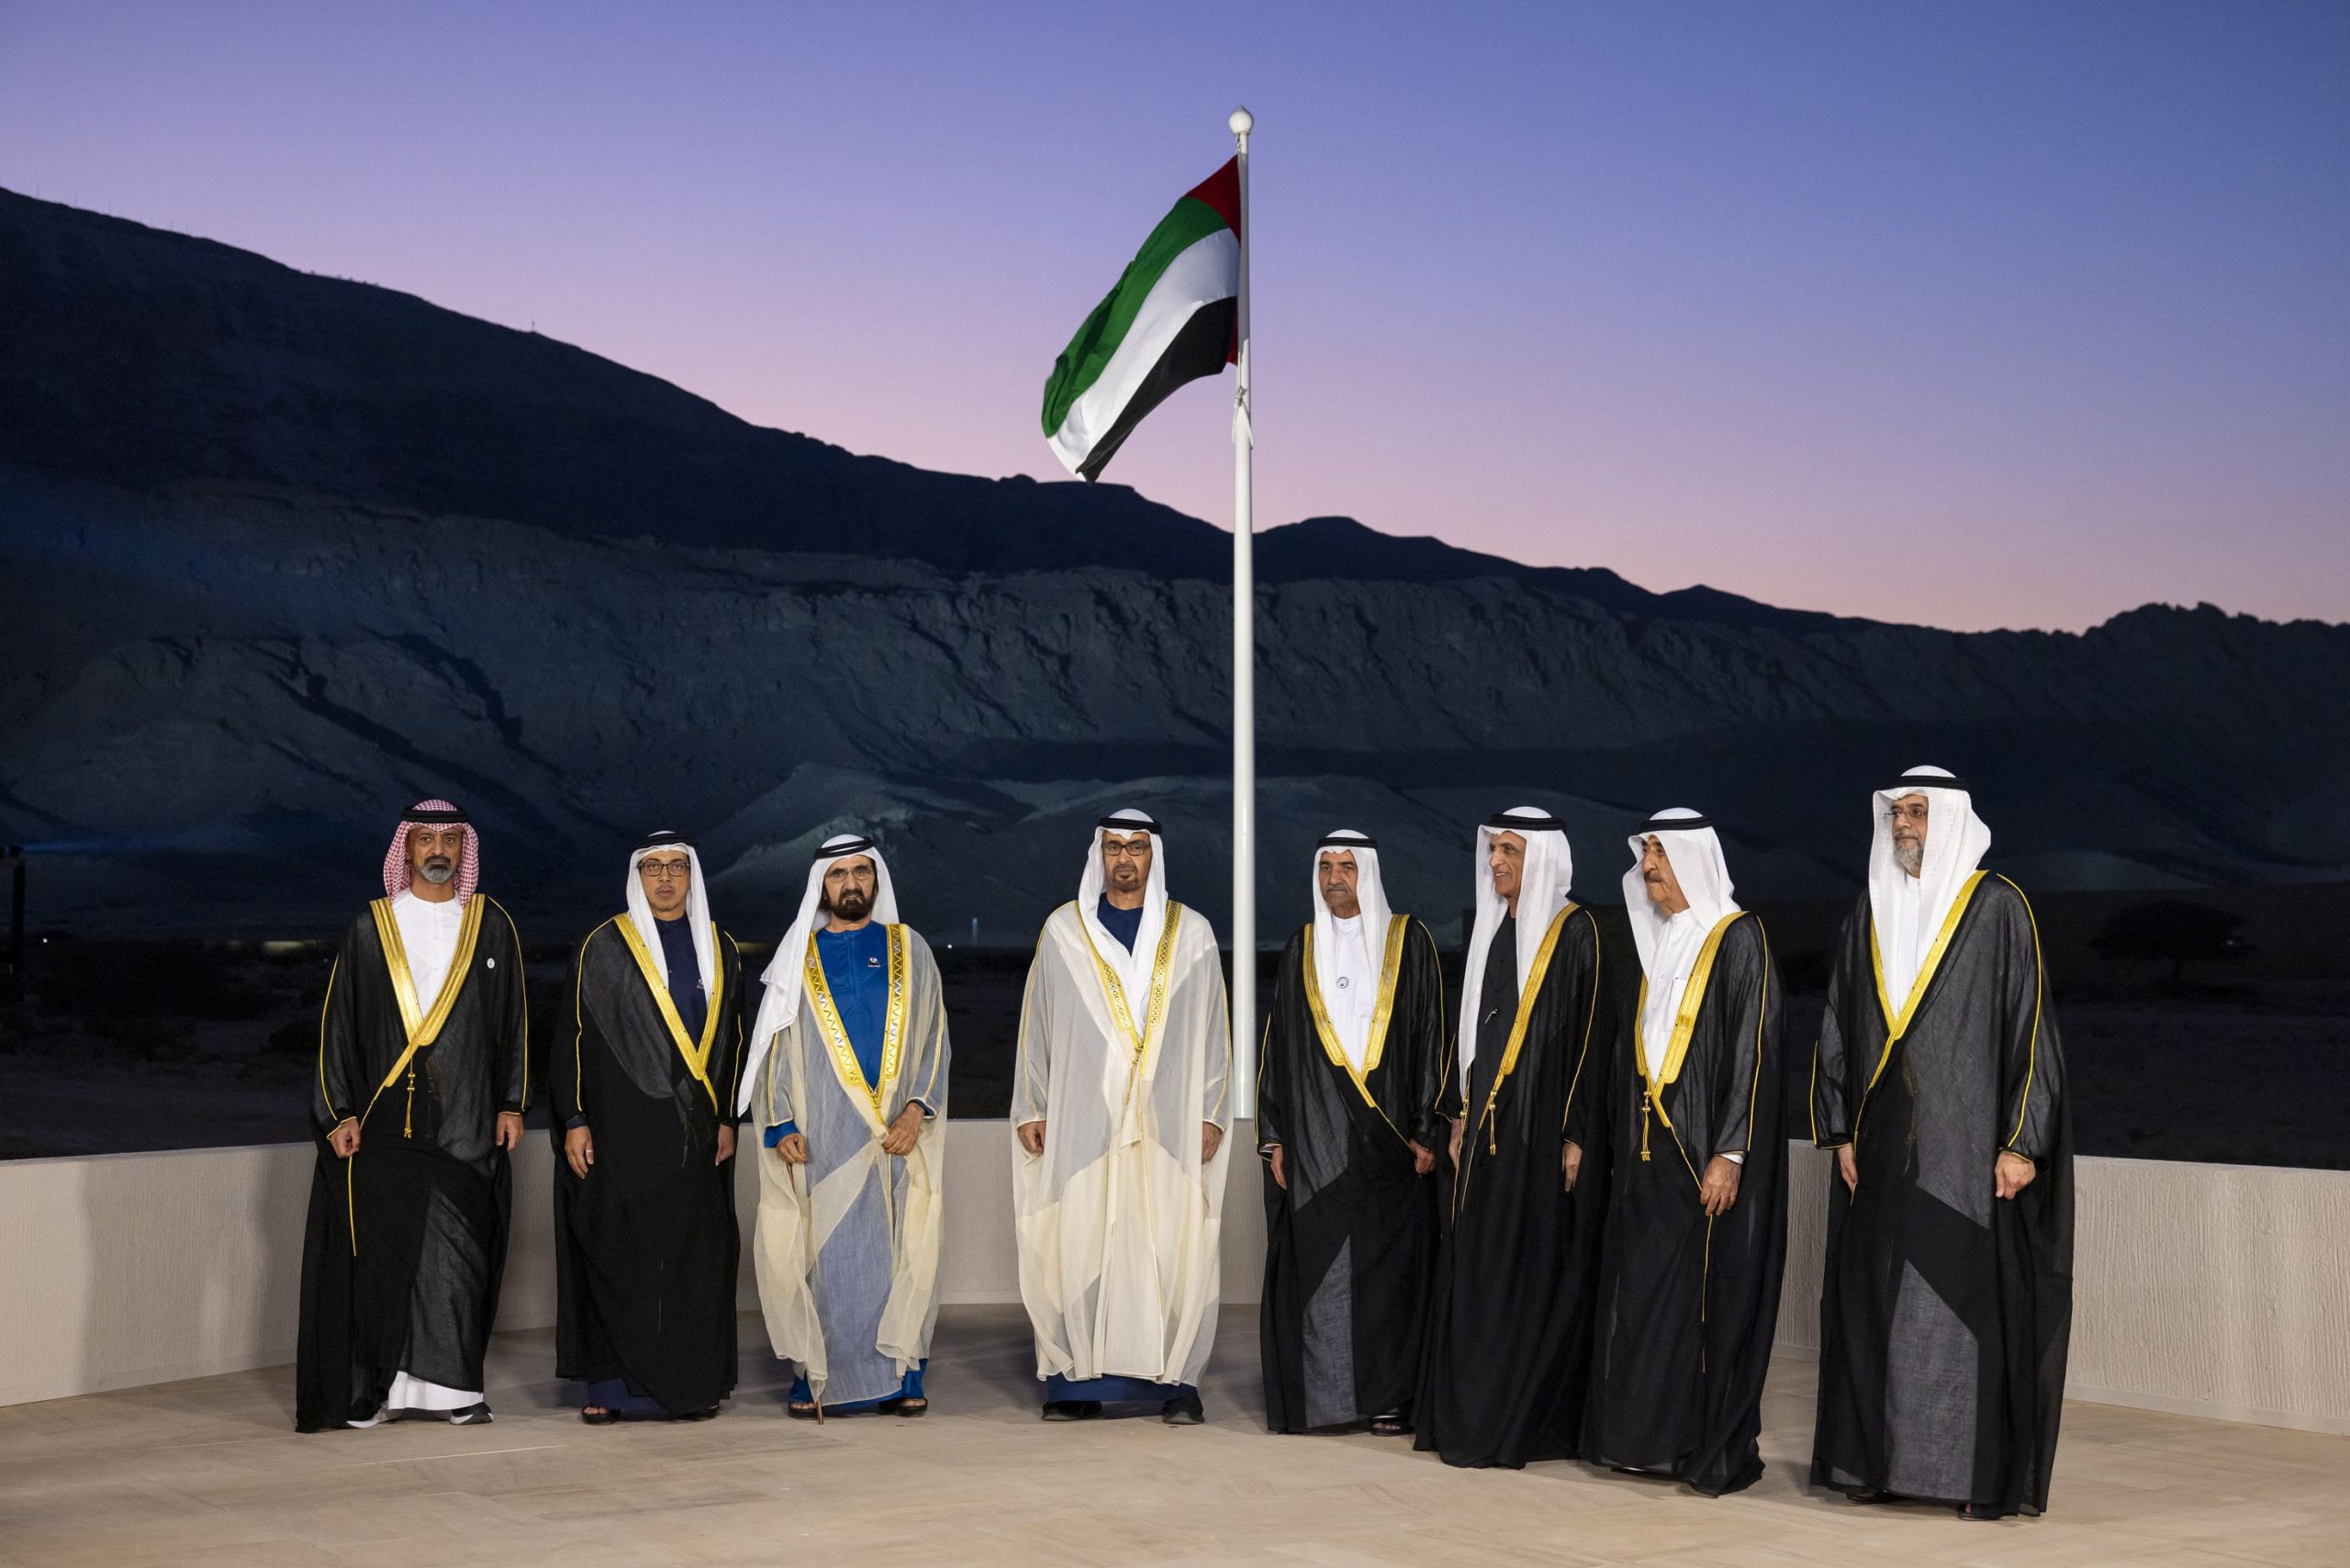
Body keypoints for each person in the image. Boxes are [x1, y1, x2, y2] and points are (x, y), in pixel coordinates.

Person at [1810, 766, 2073, 1519]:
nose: (1902, 825)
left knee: (1958, 1307)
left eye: (1917, 812)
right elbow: (1838, 1024)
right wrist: (1839, 1130)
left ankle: (1965, 1476)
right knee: (1874, 1306)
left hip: (1966, 1151)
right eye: (1896, 813)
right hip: (1878, 1149)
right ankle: (1875, 1466)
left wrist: (2021, 1142)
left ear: (1950, 819)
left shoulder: (1997, 906)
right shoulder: (1870, 909)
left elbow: (2030, 1027)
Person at [296, 799, 528, 1431]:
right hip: (385, 1119)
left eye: (449, 840)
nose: (438, 850)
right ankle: (382, 1392)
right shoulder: (372, 926)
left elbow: (513, 1021)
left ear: (464, 850)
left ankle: (455, 1391)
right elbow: (338, 1028)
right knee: (385, 1255)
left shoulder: (491, 925)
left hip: (468, 1120)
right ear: (405, 848)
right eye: (425, 839)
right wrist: (339, 1112)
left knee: (460, 1257)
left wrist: (512, 1102)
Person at [1583, 809, 1785, 1495]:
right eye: (1646, 853)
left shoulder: (1737, 937)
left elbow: (1752, 1049)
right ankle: (1642, 1443)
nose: (1648, 866)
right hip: (1647, 1161)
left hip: (1702, 1162)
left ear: (1694, 861)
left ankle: (1694, 1445)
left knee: (1698, 1307)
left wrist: (1731, 1151)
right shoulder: (1659, 941)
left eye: (1661, 854)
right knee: (1644, 1304)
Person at [1012, 809, 1232, 1424]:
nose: (1125, 858)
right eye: (1114, 847)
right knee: (1081, 1241)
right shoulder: (1064, 930)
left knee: (1170, 1245)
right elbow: (1037, 1024)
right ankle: (1075, 1384)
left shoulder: (1192, 934)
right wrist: (1032, 1103)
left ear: (1153, 855)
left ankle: (1176, 1382)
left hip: (1168, 1124)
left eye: (1136, 847)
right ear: (1099, 854)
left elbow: (1214, 1030)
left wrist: (1213, 1113)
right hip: (1085, 1119)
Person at [1415, 807, 1610, 1468]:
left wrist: (1576, 1133)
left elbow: (1590, 1038)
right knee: (1478, 1269)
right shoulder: (1493, 927)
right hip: (1483, 1139)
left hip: (1540, 1138)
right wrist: (1456, 1115)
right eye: (1493, 850)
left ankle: (1521, 1421)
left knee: (1529, 1269)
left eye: (1509, 851)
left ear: (1541, 859)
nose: (1495, 861)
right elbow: (1468, 1031)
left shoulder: (1575, 930)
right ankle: (1470, 1413)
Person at [744, 833, 949, 1417]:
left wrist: (917, 1109)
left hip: (900, 1136)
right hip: (824, 1137)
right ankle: (816, 1373)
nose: (851, 883)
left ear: (876, 880)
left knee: (905, 1250)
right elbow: (775, 1048)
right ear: (822, 886)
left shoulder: (911, 949)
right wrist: (780, 1121)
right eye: (838, 875)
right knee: (822, 1257)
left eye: (861, 872)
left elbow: (935, 1036)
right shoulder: (798, 958)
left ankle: (903, 1374)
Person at [1258, 829, 1446, 1436]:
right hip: (1318, 1141)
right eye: (1326, 868)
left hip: (1391, 1143)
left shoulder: (1408, 941)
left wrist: (1427, 1129)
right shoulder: (1302, 945)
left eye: (1346, 867)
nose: (1334, 878)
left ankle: (1390, 1397)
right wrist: (1275, 1136)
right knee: (1325, 1267)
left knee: (1387, 1274)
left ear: (1368, 873)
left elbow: (1431, 1038)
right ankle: (1327, 1399)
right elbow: (1278, 1048)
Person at [553, 830, 745, 1422]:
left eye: (676, 867)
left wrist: (727, 1117)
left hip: (697, 1133)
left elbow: (735, 1041)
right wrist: (575, 1118)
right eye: (653, 868)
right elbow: (572, 1034)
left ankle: (691, 1387)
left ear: (692, 877)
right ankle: (611, 1391)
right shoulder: (604, 944)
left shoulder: (720, 946)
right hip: (619, 1128)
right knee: (619, 1251)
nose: (665, 878)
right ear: (638, 877)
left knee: (694, 1259)